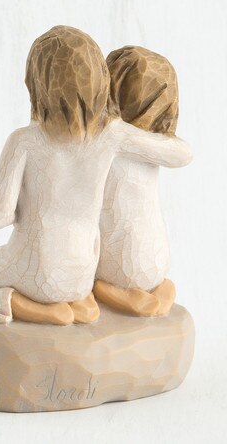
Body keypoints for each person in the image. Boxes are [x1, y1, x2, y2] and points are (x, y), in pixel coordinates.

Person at [0, 28, 192, 325]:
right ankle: (81, 304)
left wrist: (27, 208)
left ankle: (36, 308)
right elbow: (181, 154)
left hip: (40, 270)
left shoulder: (24, 141)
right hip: (82, 273)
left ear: (35, 85)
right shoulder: (112, 135)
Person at [94, 46, 191, 316]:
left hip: (114, 265)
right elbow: (184, 153)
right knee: (161, 280)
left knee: (93, 281)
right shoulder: (157, 146)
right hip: (156, 258)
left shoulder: (109, 135)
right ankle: (159, 294)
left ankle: (121, 296)